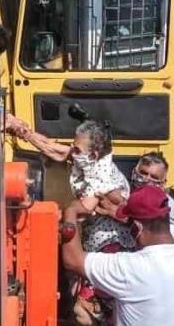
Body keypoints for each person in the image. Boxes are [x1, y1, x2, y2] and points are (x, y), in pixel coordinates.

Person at [61, 184, 174, 326]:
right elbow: (160, 227)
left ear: (137, 227)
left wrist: (70, 212)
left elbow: (73, 261)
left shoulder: (133, 269)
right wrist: (128, 218)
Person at [67, 120, 134, 324]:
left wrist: (64, 214)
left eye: (76, 150)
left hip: (111, 252)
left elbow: (83, 211)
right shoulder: (92, 166)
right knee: (83, 306)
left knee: (85, 309)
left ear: (93, 155)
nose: (72, 153)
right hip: (96, 250)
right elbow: (59, 151)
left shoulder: (103, 177)